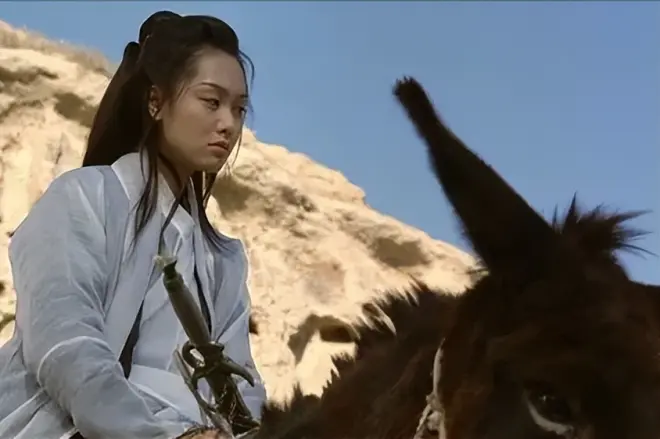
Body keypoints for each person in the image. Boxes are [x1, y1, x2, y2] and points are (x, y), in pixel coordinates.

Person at [0, 10, 266, 439]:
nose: (228, 124)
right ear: (156, 102)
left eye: (239, 109)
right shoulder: (83, 198)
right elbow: (64, 344)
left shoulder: (224, 260)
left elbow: (243, 392)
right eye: (211, 102)